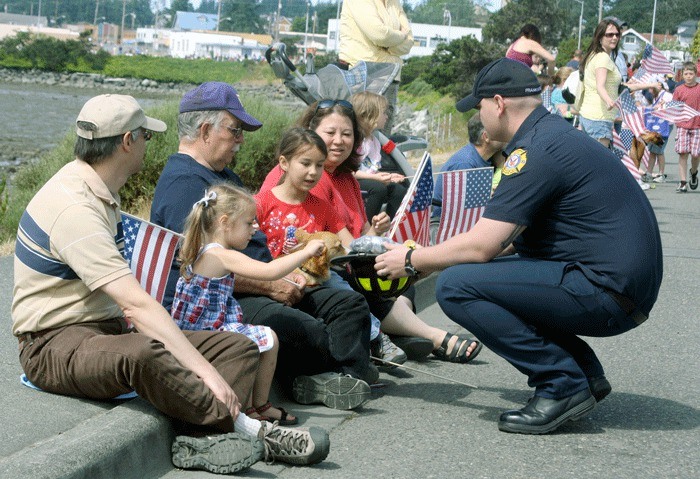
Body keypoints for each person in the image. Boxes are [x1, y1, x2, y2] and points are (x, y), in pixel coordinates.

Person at [11, 94, 330, 474]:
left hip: (104, 327)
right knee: (142, 353)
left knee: (240, 345)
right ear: (127, 141)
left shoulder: (95, 188)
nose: (150, 143)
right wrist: (208, 374)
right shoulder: (75, 208)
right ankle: (252, 431)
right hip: (52, 343)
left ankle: (202, 437)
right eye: (145, 135)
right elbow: (137, 307)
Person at [374, 58, 663, 435]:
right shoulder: (552, 135)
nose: (477, 115)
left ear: (498, 103)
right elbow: (505, 245)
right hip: (621, 289)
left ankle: (563, 383)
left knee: (456, 286)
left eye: (478, 106)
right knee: (479, 277)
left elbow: (482, 246)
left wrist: (412, 259)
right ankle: (584, 373)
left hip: (608, 291)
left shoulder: (534, 151)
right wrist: (432, 259)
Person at [150, 82, 377, 411]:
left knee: (350, 306)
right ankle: (323, 376)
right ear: (205, 130)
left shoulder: (222, 174)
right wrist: (270, 284)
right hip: (230, 295)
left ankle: (343, 376)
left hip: (268, 278)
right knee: (304, 329)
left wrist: (290, 274)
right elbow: (194, 266)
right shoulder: (185, 184)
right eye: (235, 129)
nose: (241, 139)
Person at [261, 100, 483, 365]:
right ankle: (432, 336)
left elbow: (358, 233)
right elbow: (334, 244)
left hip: (346, 258)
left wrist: (376, 232)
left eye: (347, 134)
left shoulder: (345, 178)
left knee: (401, 275)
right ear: (311, 132)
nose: (339, 141)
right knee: (369, 281)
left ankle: (397, 332)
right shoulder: (308, 180)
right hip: (318, 268)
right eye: (330, 133)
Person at [173, 183, 330, 425]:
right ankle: (255, 406)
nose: (255, 229)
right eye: (248, 223)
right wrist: (307, 251)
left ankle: (256, 405)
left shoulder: (203, 250)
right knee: (268, 338)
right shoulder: (221, 255)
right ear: (225, 222)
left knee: (261, 337)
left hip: (198, 328)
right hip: (206, 332)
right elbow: (268, 272)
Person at [338, 0, 413, 135]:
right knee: (362, 134)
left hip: (391, 75)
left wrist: (387, 43)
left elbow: (409, 43)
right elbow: (380, 34)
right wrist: (401, 35)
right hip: (363, 74)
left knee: (383, 137)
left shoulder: (394, 3)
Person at [430, 112, 506, 240]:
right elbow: (464, 214)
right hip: (446, 228)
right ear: (486, 137)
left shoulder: (485, 158)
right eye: (498, 129)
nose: (503, 132)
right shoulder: (465, 164)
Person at [350, 90, 408, 219]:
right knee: (378, 188)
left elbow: (368, 168)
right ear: (369, 114)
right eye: (383, 113)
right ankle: (368, 228)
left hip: (365, 178)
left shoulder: (374, 140)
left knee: (398, 190)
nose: (386, 116)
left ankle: (394, 227)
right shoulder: (355, 140)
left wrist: (389, 176)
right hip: (350, 180)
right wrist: (376, 178)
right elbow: (349, 171)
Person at [671, 61, 700, 193]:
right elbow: (674, 107)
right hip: (683, 125)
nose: (688, 76)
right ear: (682, 75)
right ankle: (683, 182)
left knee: (695, 153)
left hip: (697, 125)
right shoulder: (679, 90)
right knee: (683, 154)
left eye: (691, 73)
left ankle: (693, 172)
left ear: (695, 74)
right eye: (686, 74)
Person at [642, 85, 673, 183]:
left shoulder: (667, 95)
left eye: (651, 88)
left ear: (659, 86)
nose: (650, 91)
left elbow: (671, 107)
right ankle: (649, 173)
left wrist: (661, 106)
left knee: (659, 149)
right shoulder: (656, 96)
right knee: (652, 150)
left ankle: (661, 174)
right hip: (655, 125)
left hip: (664, 125)